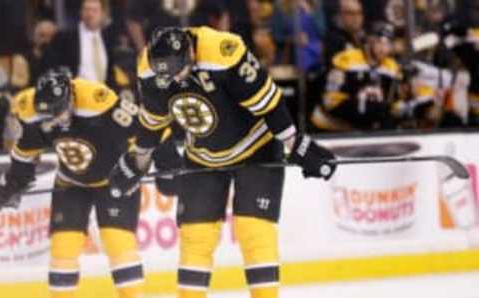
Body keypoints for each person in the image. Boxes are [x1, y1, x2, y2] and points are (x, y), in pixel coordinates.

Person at [108, 26, 336, 298]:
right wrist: (138, 161)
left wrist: (295, 143)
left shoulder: (224, 51)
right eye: (167, 75)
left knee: (254, 230)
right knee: (195, 236)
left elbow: (269, 103)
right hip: (202, 154)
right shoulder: (149, 66)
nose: (176, 79)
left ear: (190, 53)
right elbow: (153, 123)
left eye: (179, 70)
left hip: (256, 147)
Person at [0, 69, 143, 298]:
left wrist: (142, 165)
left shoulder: (97, 99)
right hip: (71, 181)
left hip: (114, 179)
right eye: (50, 116)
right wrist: (13, 183)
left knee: (118, 243)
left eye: (60, 112)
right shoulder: (30, 109)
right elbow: (26, 151)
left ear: (71, 97)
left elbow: (146, 129)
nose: (56, 120)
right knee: (63, 248)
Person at [311, 22, 401, 131]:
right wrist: (365, 111)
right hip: (330, 127)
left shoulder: (391, 67)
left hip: (363, 130)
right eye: (379, 42)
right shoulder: (347, 60)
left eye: (388, 44)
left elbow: (393, 105)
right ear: (369, 40)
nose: (384, 48)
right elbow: (331, 102)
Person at [43, 0, 116, 85]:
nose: (90, 14)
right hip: (77, 93)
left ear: (103, 14)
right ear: (81, 12)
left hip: (103, 95)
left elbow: (111, 72)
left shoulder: (109, 39)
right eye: (86, 9)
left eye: (94, 10)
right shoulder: (64, 38)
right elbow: (52, 67)